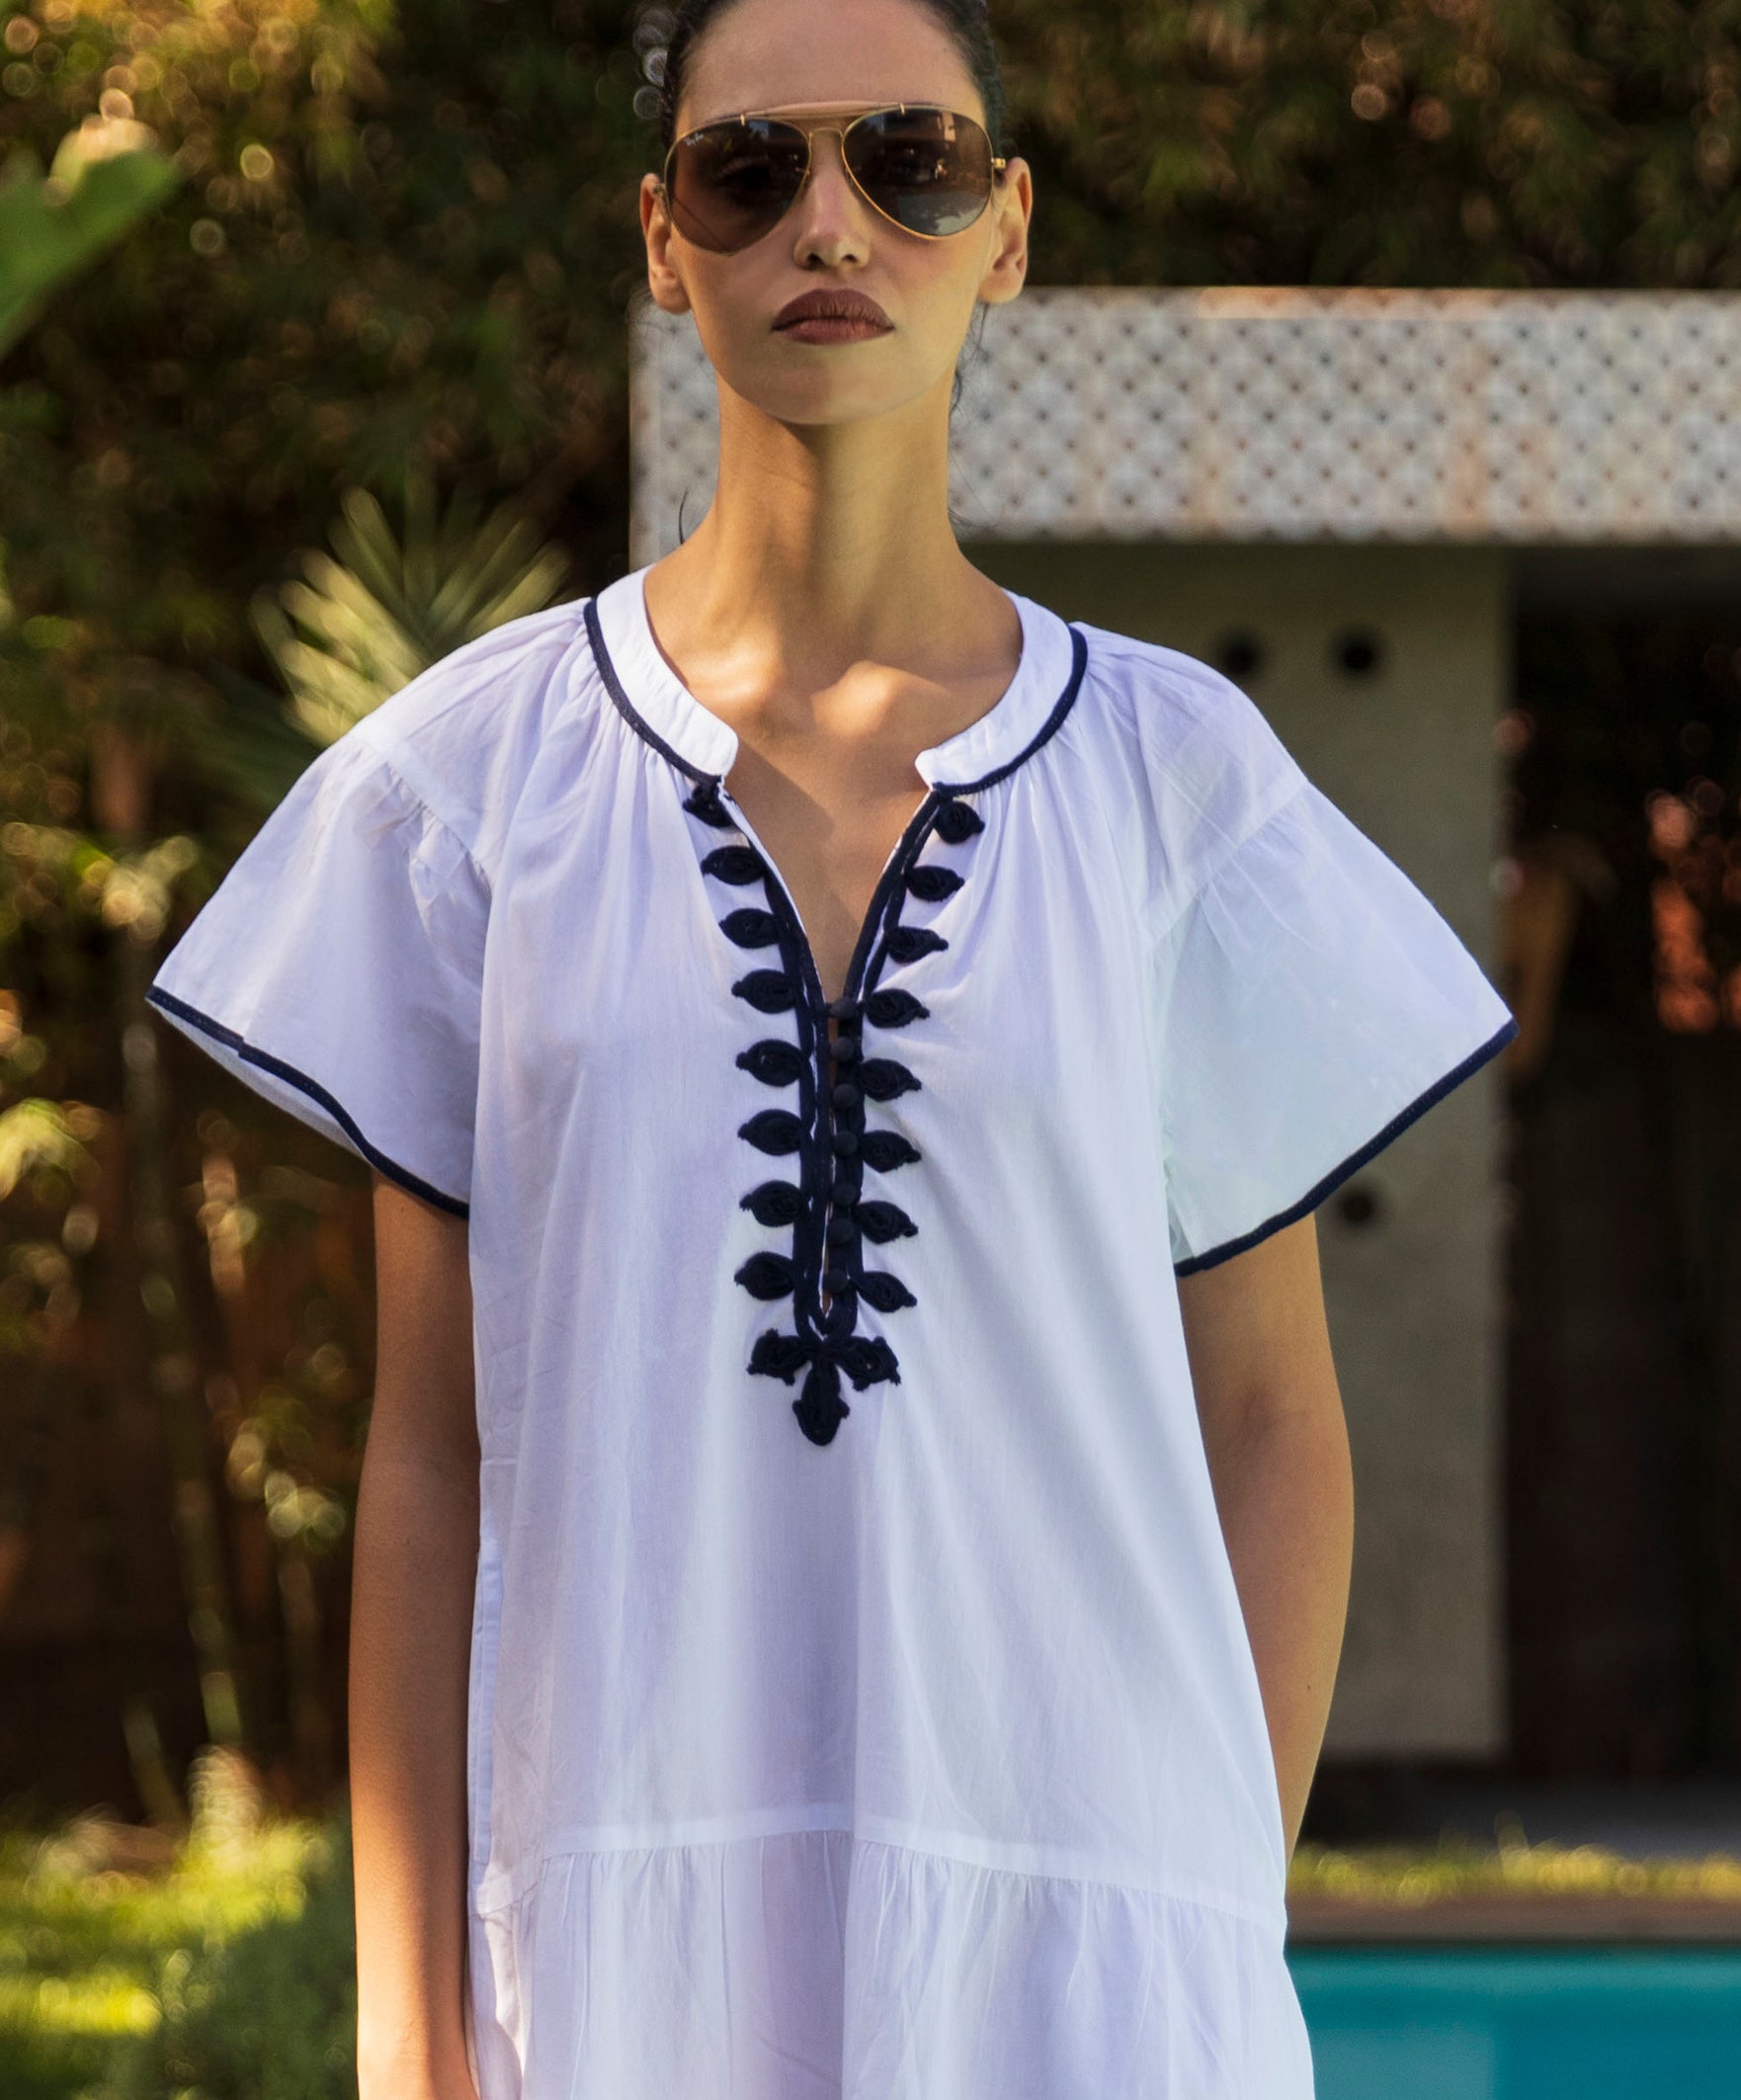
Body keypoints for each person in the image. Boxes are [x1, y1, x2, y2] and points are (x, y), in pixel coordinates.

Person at [145, 0, 1519, 2093]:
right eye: (747, 169)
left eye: (912, 159)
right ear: (659, 239)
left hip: (1085, 1975)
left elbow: (1271, 1427)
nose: (833, 221)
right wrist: (406, 2029)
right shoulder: (465, 795)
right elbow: (429, 1450)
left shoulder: (1177, 784)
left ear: (1009, 227)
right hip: (612, 1960)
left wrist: (1201, 1911)